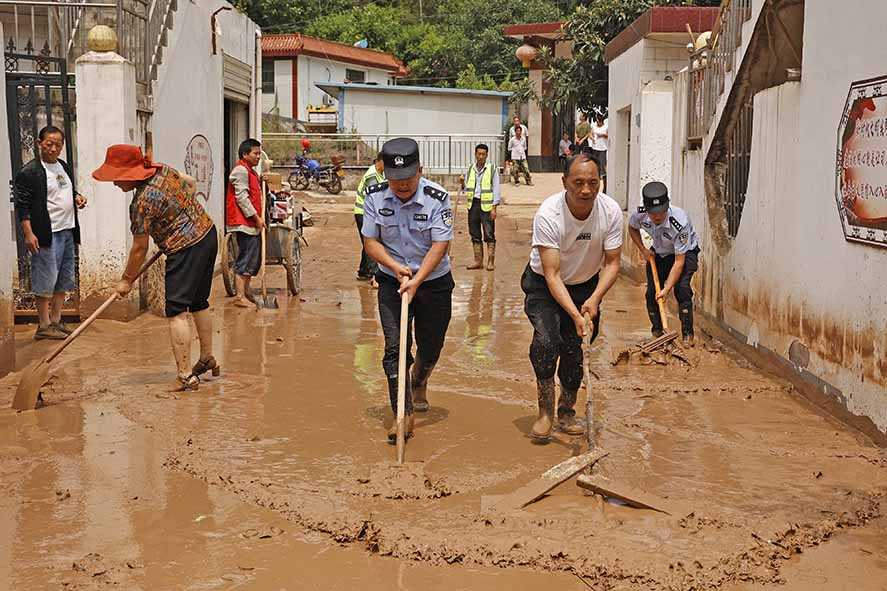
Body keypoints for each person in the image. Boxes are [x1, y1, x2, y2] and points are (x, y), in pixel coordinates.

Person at [92, 145, 219, 392]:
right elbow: (190, 183)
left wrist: (126, 280)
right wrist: (179, 214)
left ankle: (185, 376)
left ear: (131, 174)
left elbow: (139, 248)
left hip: (185, 248)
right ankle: (207, 357)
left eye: (118, 178)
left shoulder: (141, 203)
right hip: (207, 233)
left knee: (176, 310)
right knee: (199, 302)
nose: (116, 184)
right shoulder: (164, 171)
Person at [521, 152, 622, 442]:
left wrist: (594, 300)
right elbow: (552, 275)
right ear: (565, 182)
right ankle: (545, 413)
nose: (586, 190)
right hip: (544, 285)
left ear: (600, 182)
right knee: (546, 341)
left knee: (578, 349)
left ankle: (567, 410)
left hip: (587, 285)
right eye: (578, 183)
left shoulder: (610, 211)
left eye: (593, 182)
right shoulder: (549, 214)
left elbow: (613, 263)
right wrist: (575, 314)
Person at [361, 137, 454, 439]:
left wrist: (417, 279)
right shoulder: (374, 196)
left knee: (431, 346)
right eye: (394, 179)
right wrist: (394, 267)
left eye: (408, 179)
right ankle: (404, 413)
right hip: (392, 280)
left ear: (420, 171)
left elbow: (441, 244)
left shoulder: (437, 197)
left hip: (433, 281)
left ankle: (420, 379)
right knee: (394, 347)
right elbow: (370, 241)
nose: (401, 186)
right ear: (384, 173)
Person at [14, 125, 88, 340]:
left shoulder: (62, 166)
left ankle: (56, 321)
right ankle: (43, 325)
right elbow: (23, 205)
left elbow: (64, 190)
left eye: (58, 144)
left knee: (63, 280)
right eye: (49, 144)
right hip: (46, 234)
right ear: (40, 144)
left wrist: (76, 197)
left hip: (66, 231)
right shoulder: (30, 172)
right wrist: (29, 234)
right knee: (45, 280)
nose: (53, 148)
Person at [627, 181, 700, 346]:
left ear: (667, 206)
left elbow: (679, 262)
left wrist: (667, 289)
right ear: (646, 209)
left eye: (661, 212)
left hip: (684, 253)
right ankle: (658, 333)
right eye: (653, 213)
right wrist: (643, 250)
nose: (657, 217)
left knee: (681, 289)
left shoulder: (680, 221)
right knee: (652, 293)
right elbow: (631, 228)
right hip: (659, 252)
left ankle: (688, 335)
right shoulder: (639, 215)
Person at [226, 138, 266, 308]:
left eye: (259, 153)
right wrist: (256, 218)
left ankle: (246, 291)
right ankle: (240, 296)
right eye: (255, 153)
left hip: (252, 224)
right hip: (244, 223)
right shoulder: (240, 171)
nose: (258, 157)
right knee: (245, 258)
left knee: (252, 260)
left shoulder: (251, 172)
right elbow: (241, 198)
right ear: (245, 154)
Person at [461, 143, 500, 271]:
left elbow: (496, 189)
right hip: (473, 205)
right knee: (474, 233)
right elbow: (466, 188)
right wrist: (462, 182)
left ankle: (491, 261)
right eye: (479, 154)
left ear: (487, 155)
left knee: (489, 233)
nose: (481, 156)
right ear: (475, 154)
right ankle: (478, 261)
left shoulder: (492, 169)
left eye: (483, 154)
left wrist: (494, 208)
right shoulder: (471, 168)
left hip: (487, 206)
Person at [354, 154, 385, 286]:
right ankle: (374, 275)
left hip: (366, 212)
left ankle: (363, 271)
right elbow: (375, 198)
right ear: (380, 162)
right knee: (372, 242)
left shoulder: (379, 173)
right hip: (363, 213)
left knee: (367, 240)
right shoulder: (372, 175)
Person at [590, 114, 609, 188]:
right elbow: (590, 134)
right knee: (595, 162)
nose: (598, 123)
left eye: (599, 121)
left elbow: (609, 135)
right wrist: (592, 139)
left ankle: (603, 177)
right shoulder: (594, 126)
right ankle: (596, 174)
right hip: (595, 147)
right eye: (597, 121)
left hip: (603, 147)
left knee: (602, 163)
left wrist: (602, 135)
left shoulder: (606, 127)